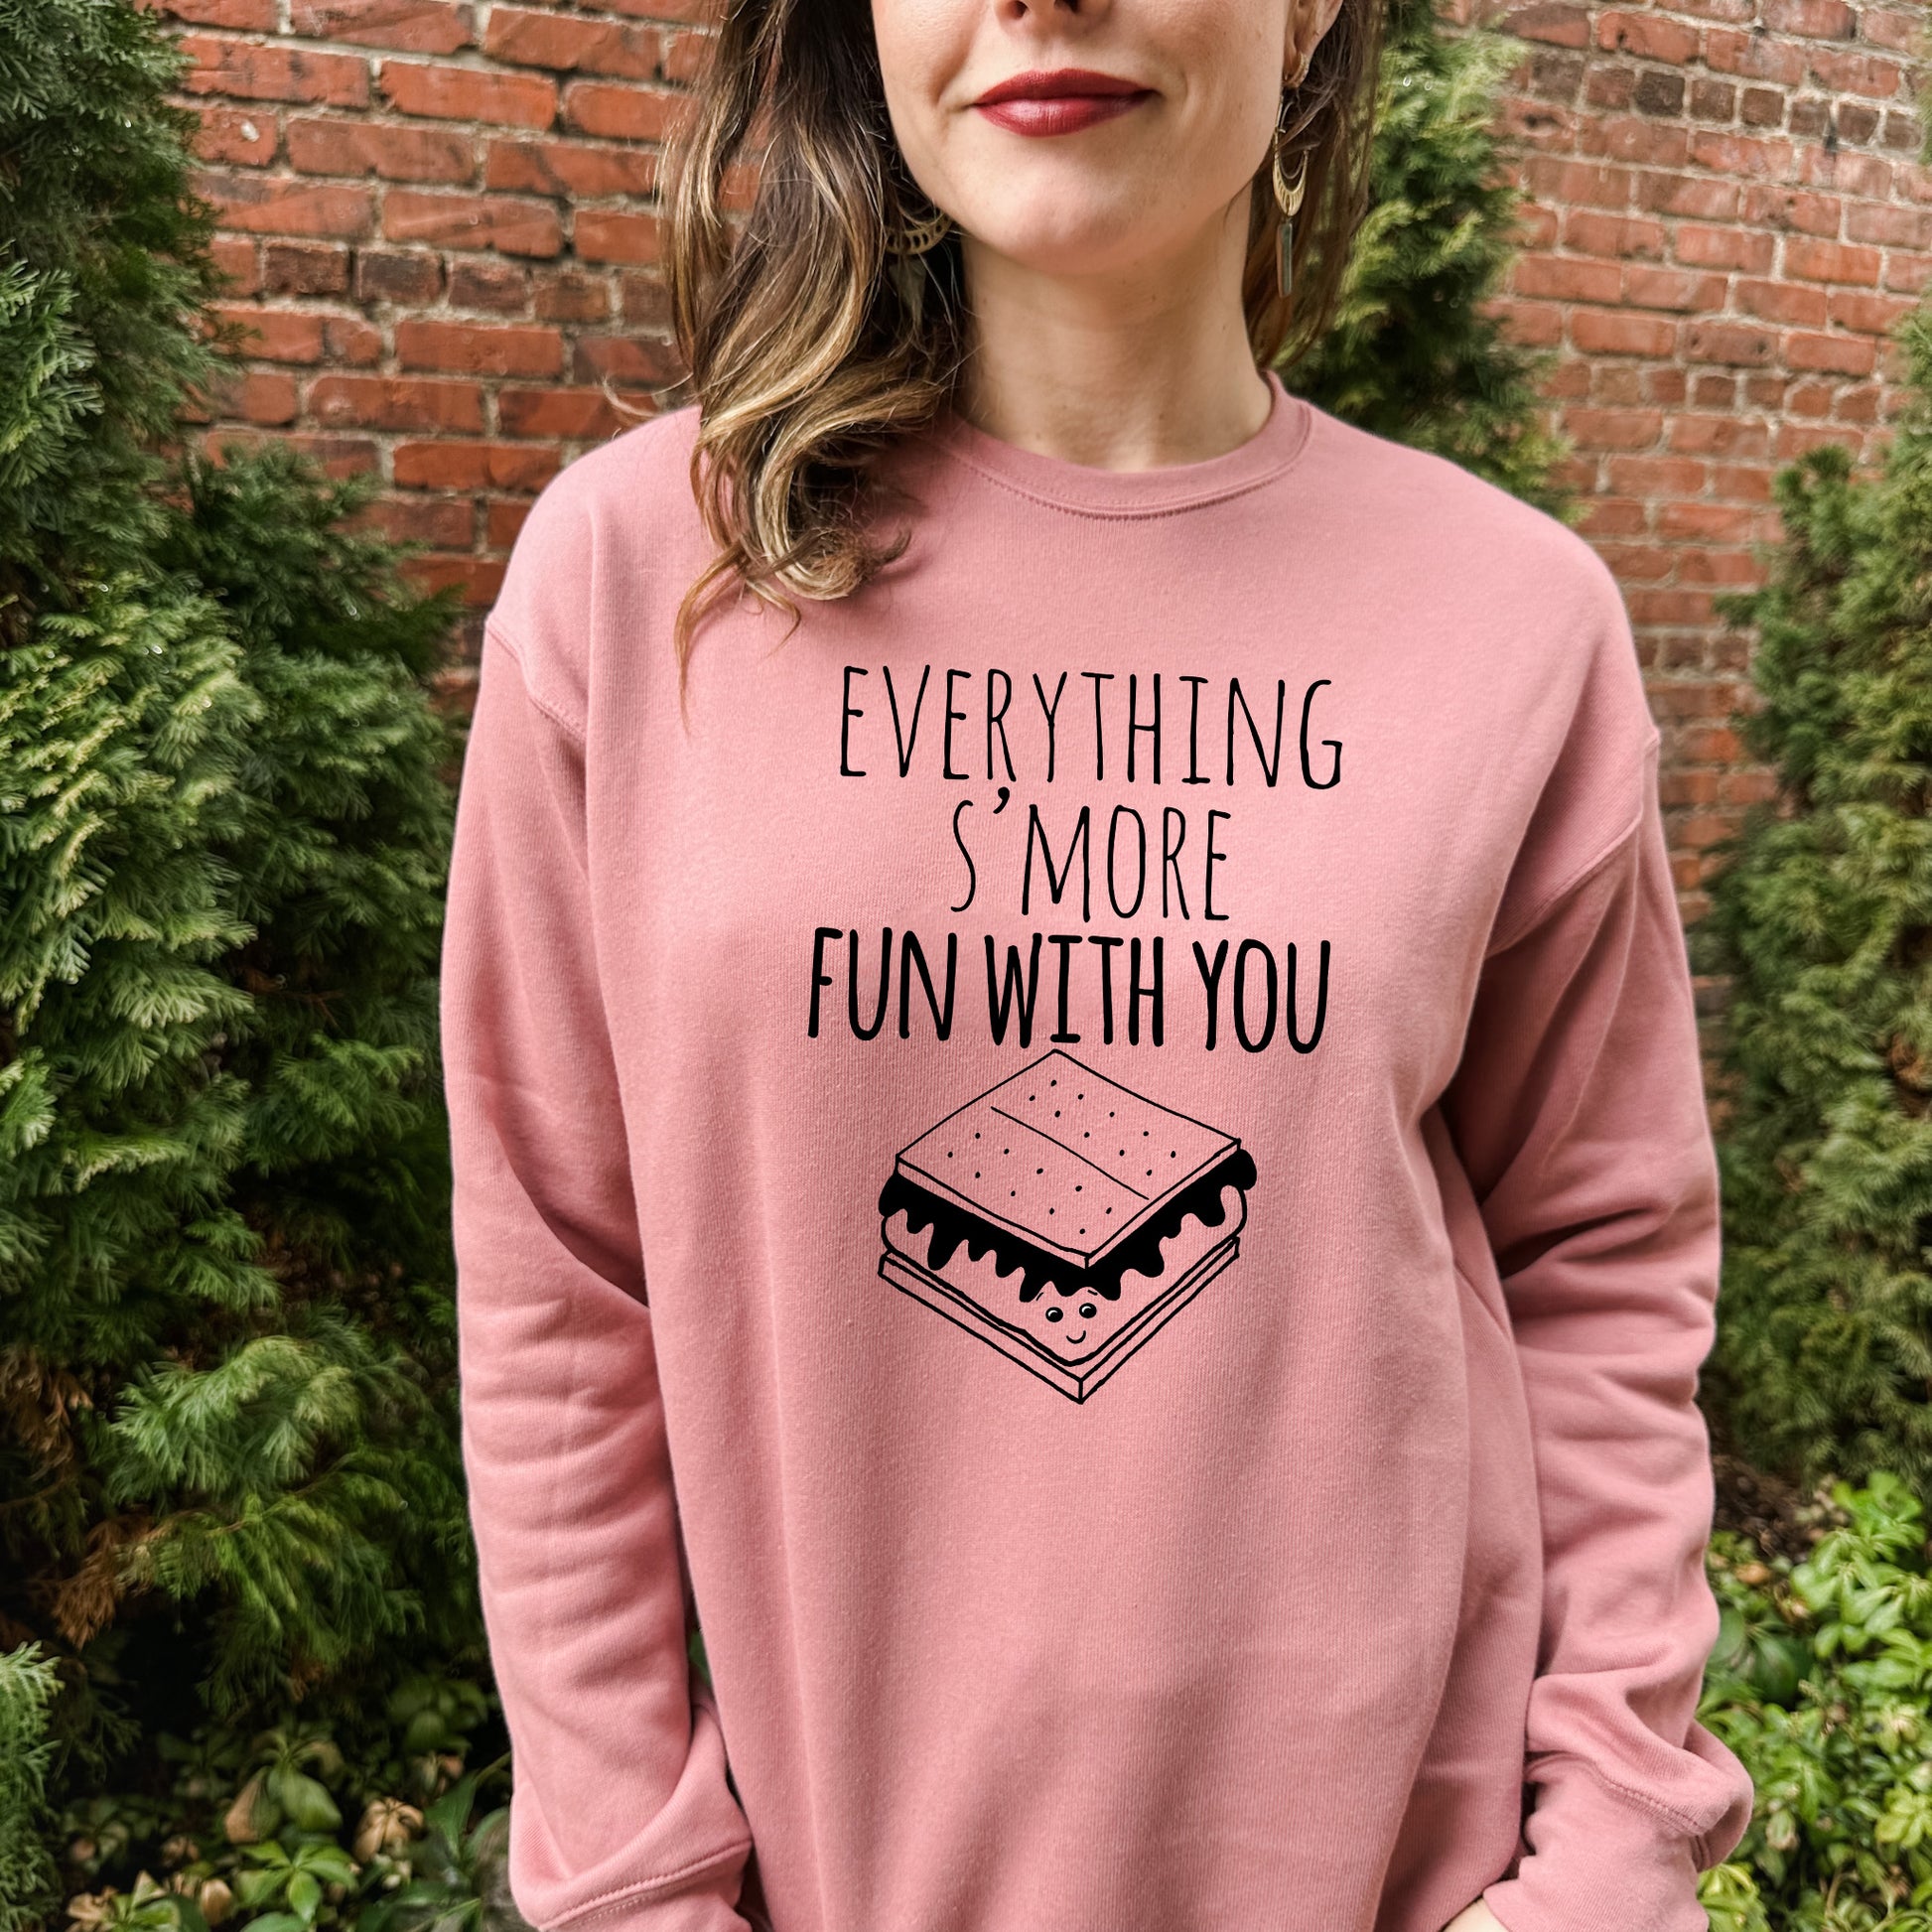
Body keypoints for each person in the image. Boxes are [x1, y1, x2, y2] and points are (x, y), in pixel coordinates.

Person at [437, 0, 1758, 1924]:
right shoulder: (646, 580)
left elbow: (1606, 1267)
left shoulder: (1513, 625)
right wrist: (638, 1890)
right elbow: (556, 1284)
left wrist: (1608, 1853)